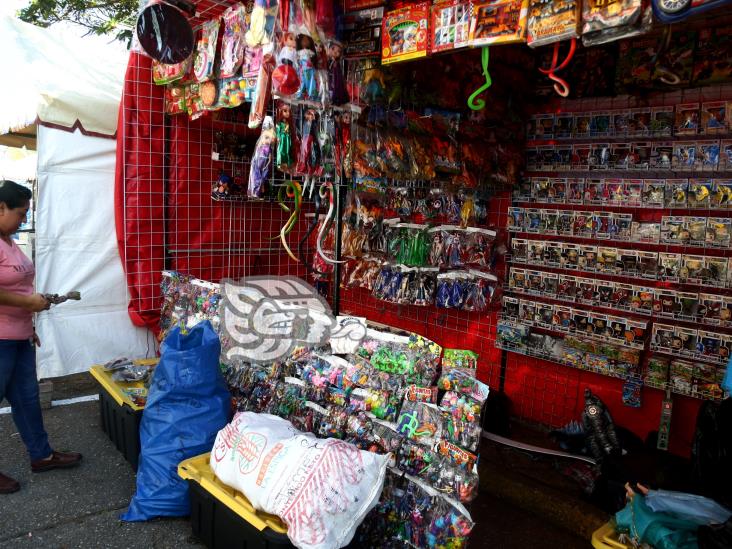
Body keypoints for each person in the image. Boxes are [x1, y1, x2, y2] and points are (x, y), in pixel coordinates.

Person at [0, 180, 81, 494]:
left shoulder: (9, 241)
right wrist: (27, 303)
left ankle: (42, 455)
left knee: (28, 401)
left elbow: (16, 287)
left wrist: (30, 321)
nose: (24, 220)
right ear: (1, 207)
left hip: (19, 337)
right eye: (20, 213)